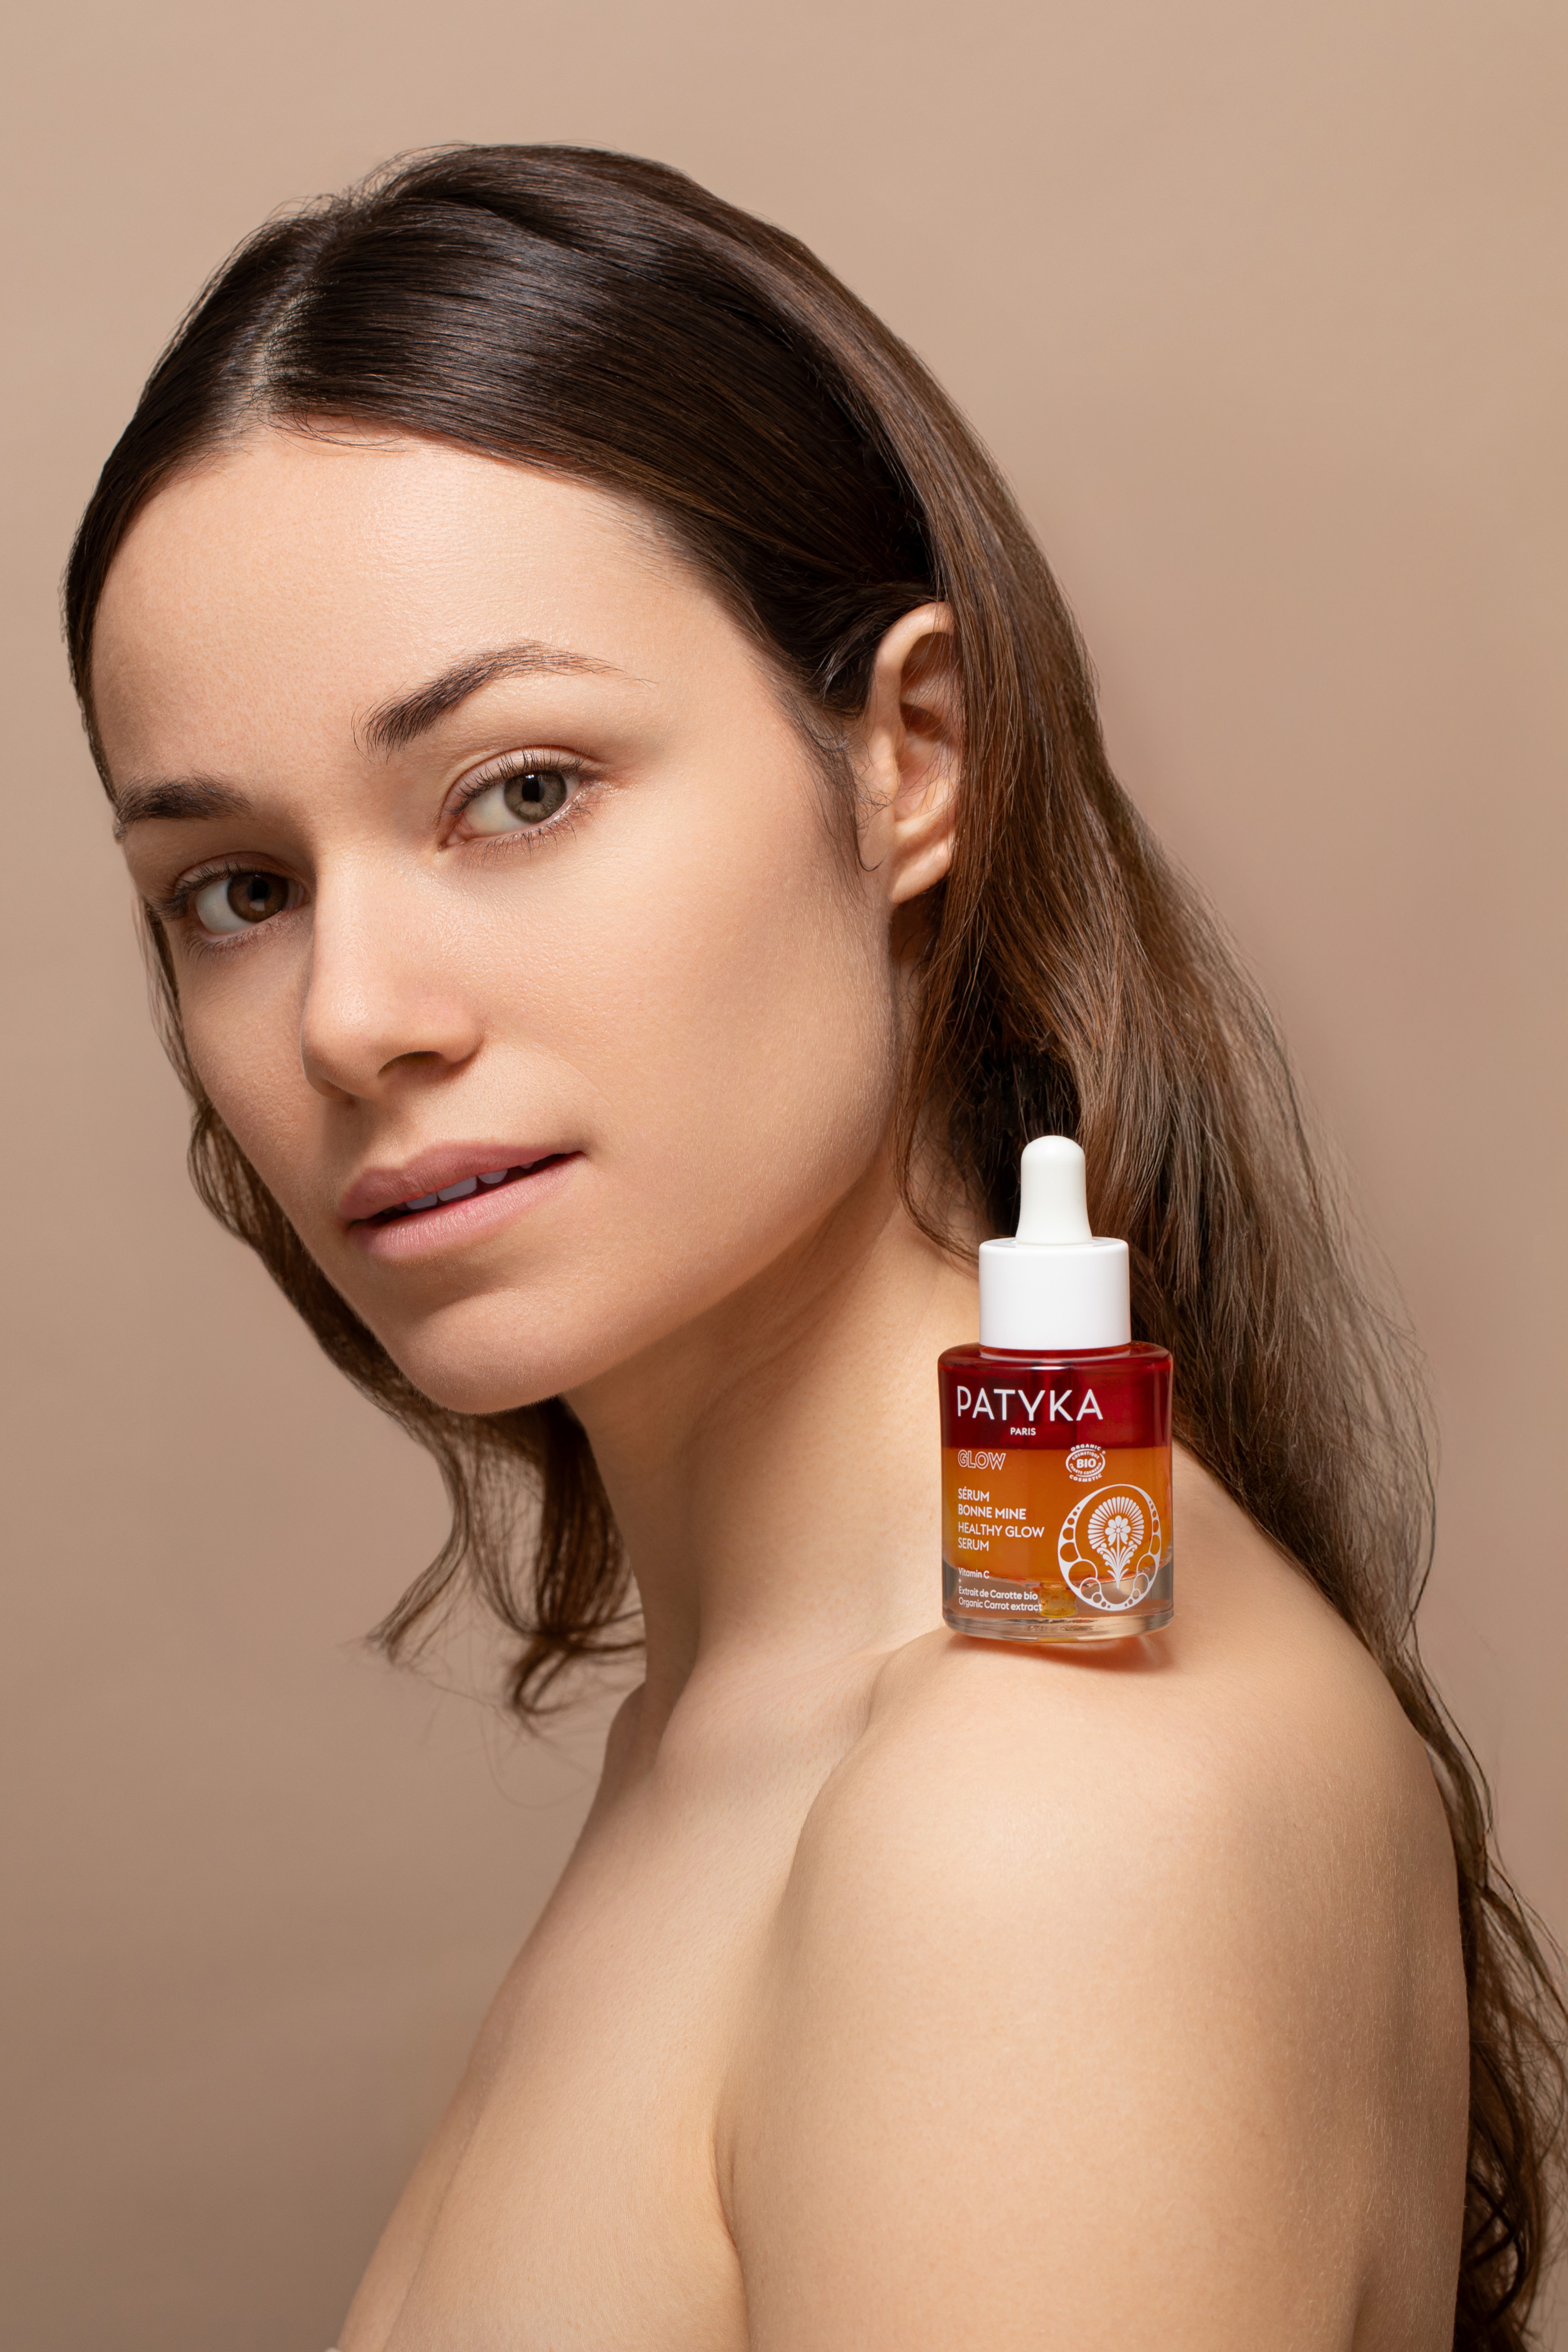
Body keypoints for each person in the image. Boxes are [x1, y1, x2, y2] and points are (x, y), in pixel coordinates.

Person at [67, 145, 1562, 2349]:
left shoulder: (1037, 1824)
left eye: (519, 790)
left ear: (908, 760)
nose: (351, 1018)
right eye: (238, 890)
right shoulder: (751, 1732)